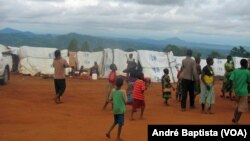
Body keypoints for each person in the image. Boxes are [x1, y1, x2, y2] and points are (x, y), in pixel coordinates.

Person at [229, 59, 250, 124]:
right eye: (247, 64)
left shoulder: (235, 71)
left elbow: (231, 79)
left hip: (236, 92)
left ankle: (235, 118)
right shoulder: (247, 72)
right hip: (244, 92)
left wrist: (232, 89)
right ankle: (236, 121)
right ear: (246, 64)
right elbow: (249, 81)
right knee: (241, 109)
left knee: (237, 106)